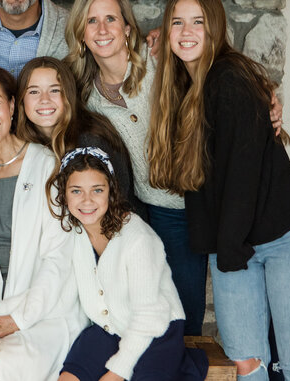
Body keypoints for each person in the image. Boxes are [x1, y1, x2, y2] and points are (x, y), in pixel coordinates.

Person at [148, 0, 290, 380]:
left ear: (216, 29)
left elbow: (242, 175)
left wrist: (225, 253)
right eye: (177, 22)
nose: (187, 31)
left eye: (198, 22)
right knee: (246, 363)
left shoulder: (231, 78)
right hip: (232, 242)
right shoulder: (180, 87)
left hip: (282, 235)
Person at [63, 0, 205, 335]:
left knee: (188, 320)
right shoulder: (84, 96)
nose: (102, 29)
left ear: (128, 27)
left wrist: (266, 97)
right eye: (91, 21)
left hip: (204, 197)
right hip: (153, 211)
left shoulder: (162, 58)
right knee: (157, 314)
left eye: (111, 18)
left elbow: (218, 71)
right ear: (81, 34)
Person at [0, 65, 84, 381]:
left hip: (44, 308)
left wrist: (20, 317)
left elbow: (59, 259)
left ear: (12, 106)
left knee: (0, 370)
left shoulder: (49, 165)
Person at [51, 147, 208, 381]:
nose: (86, 200)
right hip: (109, 328)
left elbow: (149, 316)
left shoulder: (137, 238)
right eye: (76, 191)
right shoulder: (73, 230)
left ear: (111, 192)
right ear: (64, 194)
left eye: (97, 190)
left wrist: (116, 372)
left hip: (155, 330)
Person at [14, 56, 139, 213]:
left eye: (54, 90)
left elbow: (114, 208)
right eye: (33, 91)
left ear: (69, 94)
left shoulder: (91, 142)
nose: (44, 99)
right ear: (20, 99)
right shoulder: (22, 145)